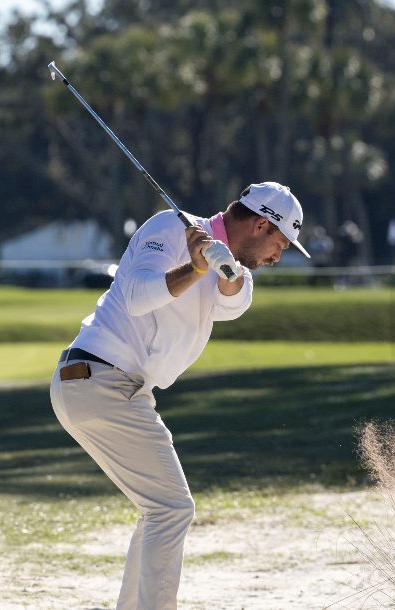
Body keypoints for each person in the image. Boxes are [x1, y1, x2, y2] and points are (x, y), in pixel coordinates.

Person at [49, 182, 309, 610]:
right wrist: (195, 268)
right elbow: (135, 296)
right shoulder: (171, 228)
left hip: (118, 389)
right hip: (95, 378)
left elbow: (234, 302)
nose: (278, 257)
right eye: (280, 244)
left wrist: (221, 269)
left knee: (159, 511)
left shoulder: (232, 267)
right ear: (261, 224)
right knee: (171, 509)